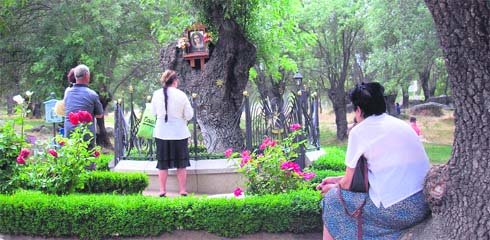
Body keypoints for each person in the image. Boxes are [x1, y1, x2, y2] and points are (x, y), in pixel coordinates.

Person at [317, 82, 430, 240]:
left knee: (332, 199)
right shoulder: (400, 124)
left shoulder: (359, 131)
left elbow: (348, 184)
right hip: (423, 204)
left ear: (358, 110)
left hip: (398, 210)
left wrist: (334, 187)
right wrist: (337, 180)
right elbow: (384, 171)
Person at [151, 70, 194, 197]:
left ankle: (162, 190)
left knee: (162, 163)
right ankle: (182, 190)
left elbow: (153, 112)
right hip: (179, 133)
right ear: (175, 81)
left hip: (161, 132)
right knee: (181, 163)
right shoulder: (181, 95)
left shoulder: (156, 94)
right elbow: (189, 115)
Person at [64, 64, 104, 147]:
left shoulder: (67, 93)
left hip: (70, 134)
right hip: (86, 135)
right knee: (88, 157)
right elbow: (100, 115)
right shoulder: (92, 94)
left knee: (71, 157)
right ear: (87, 75)